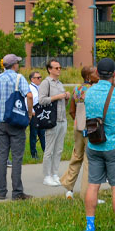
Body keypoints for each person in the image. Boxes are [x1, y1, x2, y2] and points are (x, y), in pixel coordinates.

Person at [83, 58, 115, 231]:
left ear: (96, 74)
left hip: (94, 144)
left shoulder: (89, 93)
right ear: (114, 74)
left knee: (93, 185)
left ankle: (90, 227)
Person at [0, 54, 33, 201]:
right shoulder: (19, 78)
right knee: (17, 157)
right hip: (16, 121)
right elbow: (29, 95)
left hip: (0, 121)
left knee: (2, 156)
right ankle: (17, 192)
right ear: (14, 65)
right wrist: (29, 113)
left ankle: (1, 191)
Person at [61, 66, 98, 200]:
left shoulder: (76, 89)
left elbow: (71, 110)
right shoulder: (94, 90)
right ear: (88, 77)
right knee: (90, 160)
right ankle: (86, 193)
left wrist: (78, 121)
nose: (98, 75)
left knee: (76, 156)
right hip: (91, 128)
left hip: (78, 126)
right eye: (96, 73)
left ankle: (68, 187)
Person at [38, 59, 69, 187]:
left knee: (59, 149)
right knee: (49, 149)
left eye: (60, 67)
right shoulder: (46, 83)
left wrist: (66, 97)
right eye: (56, 68)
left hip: (62, 118)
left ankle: (55, 173)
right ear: (49, 69)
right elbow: (41, 100)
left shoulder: (60, 83)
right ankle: (47, 176)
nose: (59, 70)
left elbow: (63, 103)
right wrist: (57, 97)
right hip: (52, 120)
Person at [28, 71, 46, 159]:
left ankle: (45, 152)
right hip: (35, 112)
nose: (40, 79)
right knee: (34, 134)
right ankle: (33, 154)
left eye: (40, 77)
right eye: (38, 77)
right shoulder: (30, 88)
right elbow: (27, 99)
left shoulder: (39, 87)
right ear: (32, 79)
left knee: (42, 133)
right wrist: (31, 111)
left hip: (41, 112)